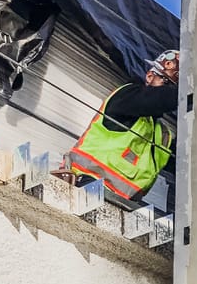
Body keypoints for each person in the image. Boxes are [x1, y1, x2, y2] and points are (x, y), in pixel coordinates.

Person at [66, 50, 179, 202]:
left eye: (172, 87)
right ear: (150, 76)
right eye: (165, 83)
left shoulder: (162, 134)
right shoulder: (127, 96)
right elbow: (158, 99)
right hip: (86, 184)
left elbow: (183, 162)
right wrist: (190, 93)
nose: (167, 91)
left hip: (123, 203)